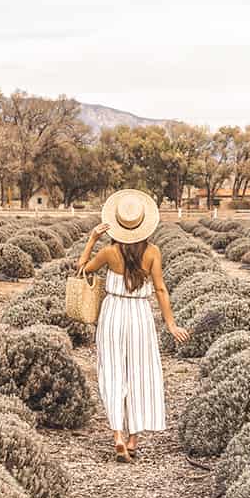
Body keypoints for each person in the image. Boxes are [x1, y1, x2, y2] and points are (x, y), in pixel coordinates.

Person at [77, 189, 190, 461]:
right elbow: (161, 290)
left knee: (113, 372)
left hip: (113, 313)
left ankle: (117, 435)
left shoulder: (108, 252)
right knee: (141, 374)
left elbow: (82, 269)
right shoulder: (153, 252)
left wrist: (92, 238)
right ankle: (133, 441)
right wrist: (171, 324)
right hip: (140, 316)